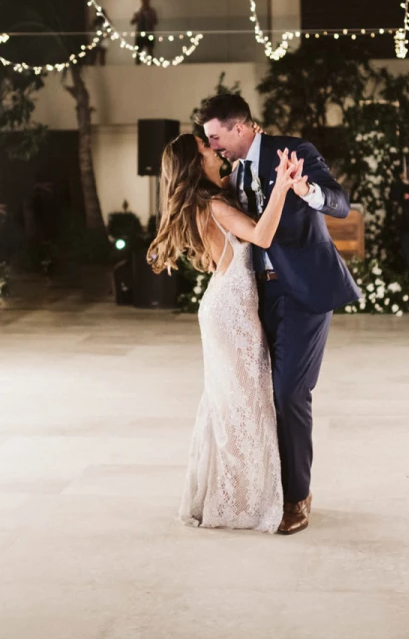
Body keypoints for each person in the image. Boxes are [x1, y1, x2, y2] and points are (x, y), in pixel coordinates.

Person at [197, 93, 360, 535]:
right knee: (259, 398)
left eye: (216, 137)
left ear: (239, 126)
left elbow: (340, 203)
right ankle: (265, 492)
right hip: (254, 298)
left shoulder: (294, 152)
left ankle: (297, 498)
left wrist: (305, 189)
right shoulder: (230, 174)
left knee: (289, 394)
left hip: (303, 292)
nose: (213, 147)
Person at [148, 133, 306, 533]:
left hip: (223, 307)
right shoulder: (214, 204)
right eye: (206, 149)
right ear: (195, 162)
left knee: (234, 404)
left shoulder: (207, 200)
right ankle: (240, 503)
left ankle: (236, 495)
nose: (215, 152)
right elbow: (262, 236)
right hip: (231, 314)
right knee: (243, 406)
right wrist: (284, 186)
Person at [130, 0, 158, 64]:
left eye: (147, 0)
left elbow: (155, 22)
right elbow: (132, 22)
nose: (145, 1)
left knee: (150, 51)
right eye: (144, 0)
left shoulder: (152, 11)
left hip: (149, 33)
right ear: (142, 1)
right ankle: (137, 68)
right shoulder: (138, 11)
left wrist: (149, 17)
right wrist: (137, 18)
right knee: (138, 52)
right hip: (140, 34)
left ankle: (152, 67)